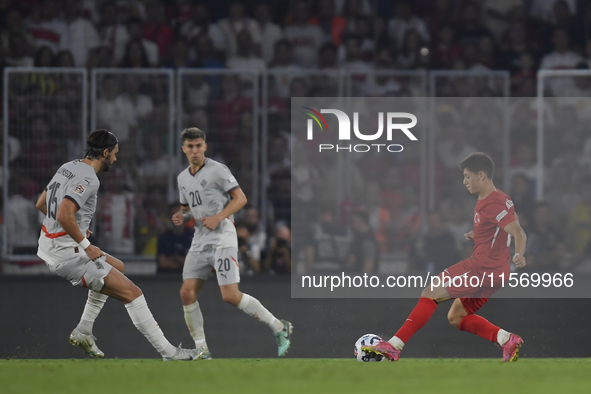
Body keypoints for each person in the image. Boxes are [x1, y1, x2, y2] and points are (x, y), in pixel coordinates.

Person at [36, 129, 200, 361]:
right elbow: (64, 214)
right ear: (104, 152)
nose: (115, 158)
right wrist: (84, 243)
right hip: (67, 254)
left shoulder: (68, 166)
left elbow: (42, 203)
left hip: (48, 245)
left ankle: (84, 330)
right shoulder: (89, 178)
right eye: (114, 153)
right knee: (133, 293)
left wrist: (77, 227)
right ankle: (169, 353)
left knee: (118, 267)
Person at [363, 152, 527, 362]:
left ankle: (394, 346)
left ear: (481, 175)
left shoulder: (491, 203)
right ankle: (507, 339)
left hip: (482, 268)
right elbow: (509, 221)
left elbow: (518, 231)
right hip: (497, 271)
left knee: (430, 292)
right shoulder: (503, 199)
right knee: (456, 317)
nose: (464, 181)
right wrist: (479, 233)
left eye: (468, 176)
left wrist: (520, 254)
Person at [172, 127, 292, 359]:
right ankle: (201, 349)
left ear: (205, 146)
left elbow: (241, 198)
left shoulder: (217, 170)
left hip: (223, 238)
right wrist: (182, 216)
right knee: (187, 293)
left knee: (230, 295)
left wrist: (218, 216)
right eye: (190, 146)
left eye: (199, 146)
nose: (195, 150)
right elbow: (187, 210)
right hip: (200, 241)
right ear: (183, 149)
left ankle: (279, 326)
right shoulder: (182, 178)